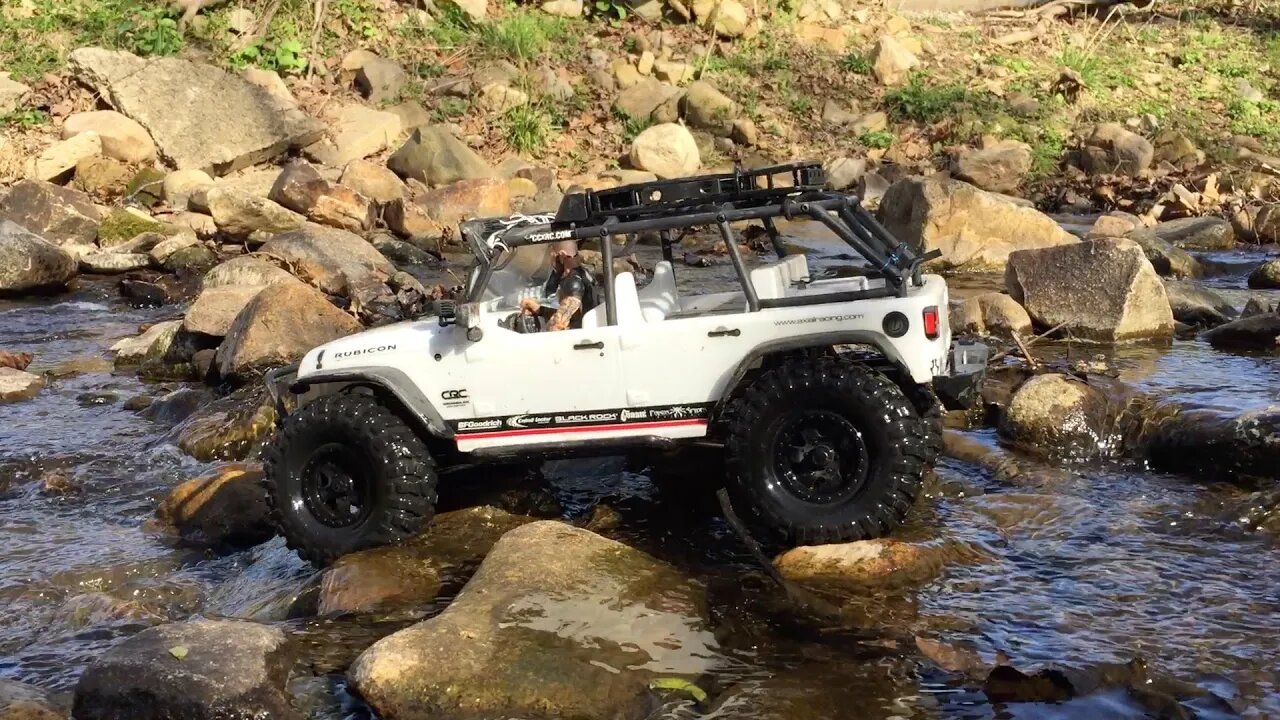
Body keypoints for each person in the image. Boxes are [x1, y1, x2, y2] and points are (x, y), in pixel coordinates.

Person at [519, 240, 599, 331]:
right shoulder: (583, 274)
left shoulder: (573, 283)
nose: (551, 261)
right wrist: (540, 310)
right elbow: (573, 317)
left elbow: (558, 325)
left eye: (552, 256)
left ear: (561, 255)